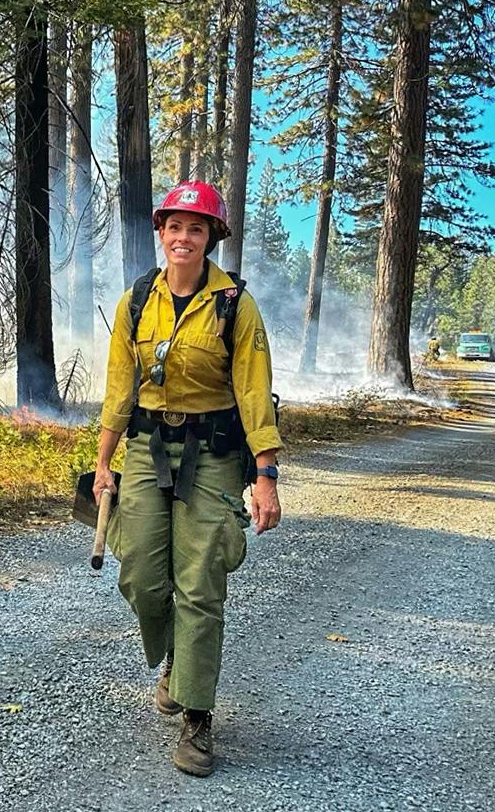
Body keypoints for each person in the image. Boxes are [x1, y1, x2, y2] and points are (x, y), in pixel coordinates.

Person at [92, 179, 282, 778]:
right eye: (174, 226)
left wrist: (266, 475)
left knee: (200, 585)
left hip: (213, 454)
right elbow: (119, 387)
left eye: (195, 228)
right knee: (142, 577)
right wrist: (103, 461)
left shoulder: (235, 305)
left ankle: (197, 717)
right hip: (145, 450)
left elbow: (254, 394)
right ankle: (176, 656)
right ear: (161, 232)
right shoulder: (136, 301)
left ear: (211, 237)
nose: (183, 237)